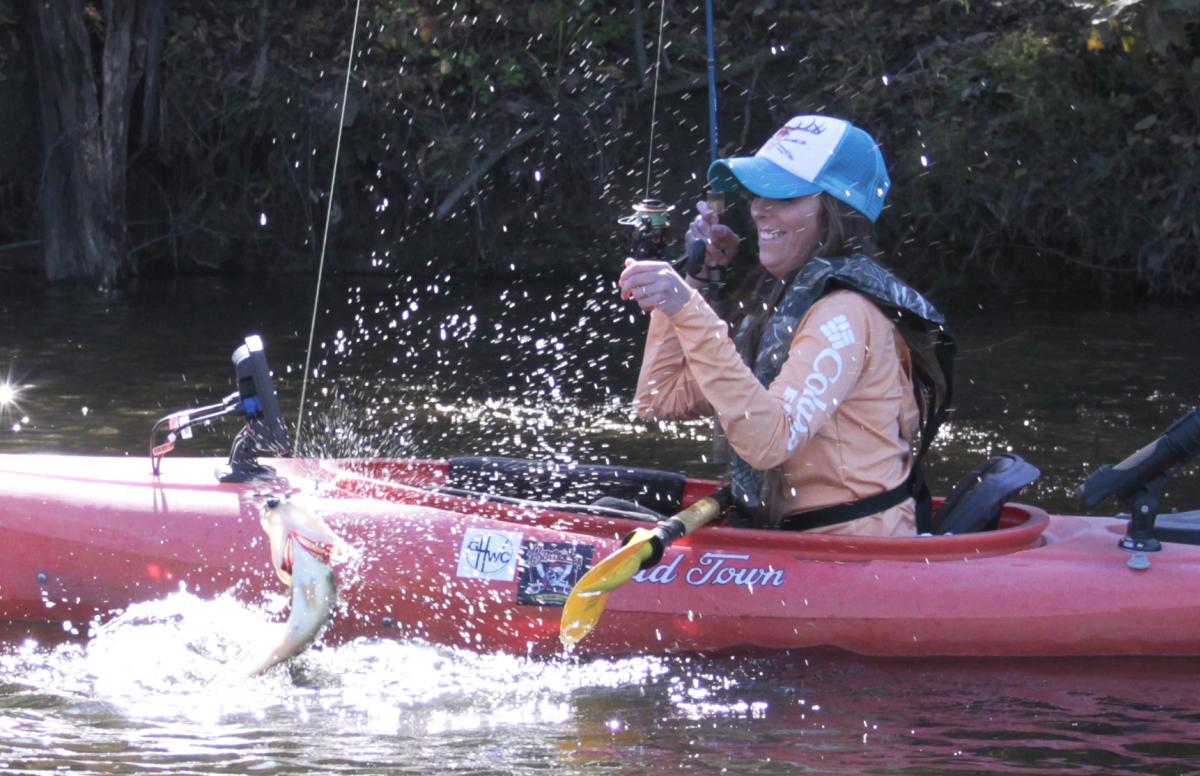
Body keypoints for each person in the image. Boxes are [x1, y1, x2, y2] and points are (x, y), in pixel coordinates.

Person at [618, 115, 954, 536]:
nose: (759, 208)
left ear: (836, 212)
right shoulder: (782, 302)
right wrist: (698, 281)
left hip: (853, 553)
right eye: (759, 194)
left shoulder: (846, 311)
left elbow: (767, 444)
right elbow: (659, 398)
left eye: (785, 196)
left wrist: (689, 309)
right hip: (790, 538)